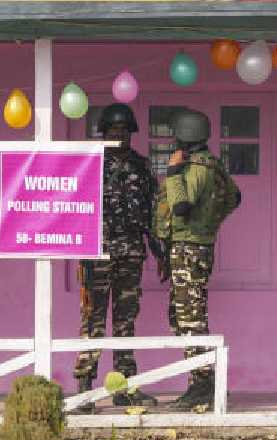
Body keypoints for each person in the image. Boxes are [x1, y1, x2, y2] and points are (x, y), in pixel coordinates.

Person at [73, 103, 164, 413]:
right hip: (96, 253)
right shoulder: (91, 164)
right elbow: (75, 208)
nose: (120, 136)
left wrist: (158, 248)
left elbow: (152, 210)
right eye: (114, 131)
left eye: (124, 131)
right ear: (104, 133)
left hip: (131, 253)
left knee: (126, 322)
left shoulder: (141, 166)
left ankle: (124, 387)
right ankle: (85, 388)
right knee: (93, 321)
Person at [161, 109, 240, 410]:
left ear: (184, 135)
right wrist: (211, 221)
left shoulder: (196, 168)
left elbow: (181, 206)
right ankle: (203, 380)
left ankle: (203, 384)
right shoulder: (215, 166)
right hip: (198, 246)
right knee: (183, 316)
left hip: (189, 248)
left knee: (190, 319)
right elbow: (235, 197)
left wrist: (171, 174)